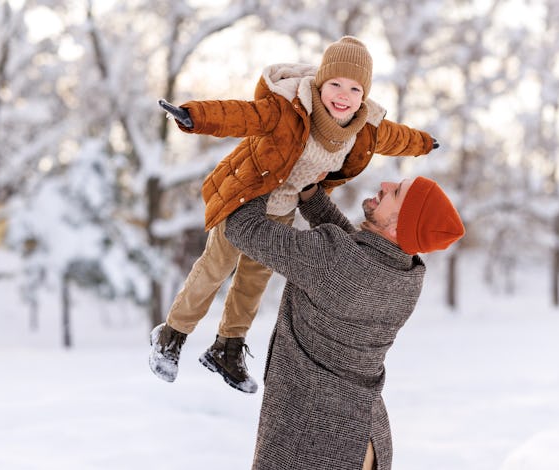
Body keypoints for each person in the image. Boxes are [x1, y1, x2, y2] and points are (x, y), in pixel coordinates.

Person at [149, 36, 439, 394]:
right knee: (215, 268)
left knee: (253, 282)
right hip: (247, 195)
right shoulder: (290, 109)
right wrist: (195, 116)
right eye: (335, 83)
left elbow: (396, 138)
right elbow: (242, 115)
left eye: (354, 87)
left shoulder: (364, 129)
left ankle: (227, 348)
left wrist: (423, 142)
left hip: (282, 210)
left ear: (364, 95)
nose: (343, 95)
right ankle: (171, 335)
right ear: (320, 83)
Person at [223, 176, 465, 469]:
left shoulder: (334, 261)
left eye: (396, 192)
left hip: (313, 438)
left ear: (398, 227)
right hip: (364, 435)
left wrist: (265, 172)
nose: (385, 184)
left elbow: (241, 227)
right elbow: (351, 253)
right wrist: (312, 197)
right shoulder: (408, 275)